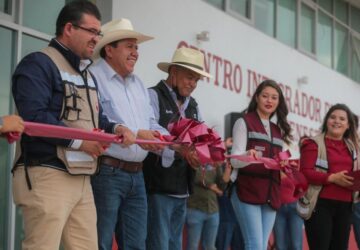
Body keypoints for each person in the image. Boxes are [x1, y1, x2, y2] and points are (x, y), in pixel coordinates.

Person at [11, 2, 133, 249]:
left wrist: (116, 128)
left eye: (98, 34)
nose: (96, 39)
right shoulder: (38, 63)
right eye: (91, 32)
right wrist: (82, 143)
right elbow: (35, 117)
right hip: (47, 173)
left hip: (82, 178)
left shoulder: (86, 74)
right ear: (68, 28)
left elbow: (94, 120)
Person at [89, 18, 168, 250]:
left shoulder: (139, 84)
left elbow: (152, 123)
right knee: (99, 243)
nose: (135, 52)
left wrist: (166, 139)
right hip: (105, 171)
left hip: (137, 175)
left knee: (135, 245)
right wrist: (137, 133)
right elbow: (97, 121)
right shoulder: (92, 77)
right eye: (129, 46)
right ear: (109, 49)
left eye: (136, 47)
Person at [144, 47, 212, 250]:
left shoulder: (194, 105)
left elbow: (202, 140)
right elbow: (150, 135)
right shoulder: (152, 95)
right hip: (156, 186)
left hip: (183, 188)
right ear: (173, 71)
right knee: (158, 244)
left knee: (174, 244)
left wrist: (201, 154)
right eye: (189, 77)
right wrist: (179, 149)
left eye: (196, 80)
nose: (192, 84)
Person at [230, 79, 293, 250]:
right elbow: (234, 159)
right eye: (265, 96)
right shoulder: (243, 121)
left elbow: (282, 164)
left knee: (262, 246)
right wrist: (246, 156)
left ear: (278, 102)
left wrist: (286, 164)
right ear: (257, 97)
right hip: (247, 189)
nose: (269, 101)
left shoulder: (278, 130)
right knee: (255, 245)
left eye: (274, 98)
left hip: (271, 193)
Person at [300, 103, 359, 250]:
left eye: (342, 119)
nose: (337, 121)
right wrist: (332, 178)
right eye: (332, 117)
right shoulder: (313, 143)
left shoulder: (353, 148)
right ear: (326, 121)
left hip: (346, 207)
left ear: (348, 125)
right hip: (320, 205)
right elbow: (305, 173)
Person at [185, 163, 230, 250]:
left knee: (210, 247)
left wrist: (228, 171)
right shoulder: (195, 156)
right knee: (193, 246)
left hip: (213, 210)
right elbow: (197, 177)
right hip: (195, 207)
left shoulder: (215, 161)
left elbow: (222, 186)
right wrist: (213, 187)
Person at [216, 137, 244, 250]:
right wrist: (225, 145)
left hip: (240, 212)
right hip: (225, 211)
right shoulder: (222, 165)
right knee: (222, 244)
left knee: (239, 245)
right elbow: (222, 185)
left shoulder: (242, 165)